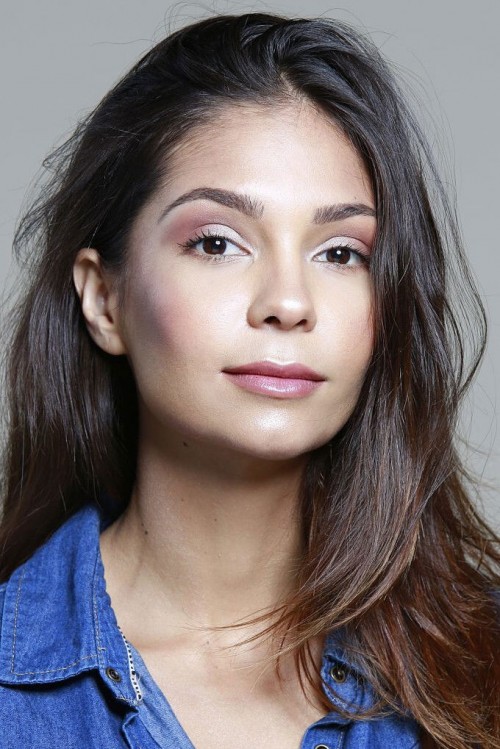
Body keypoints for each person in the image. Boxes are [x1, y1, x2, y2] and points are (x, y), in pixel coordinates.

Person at [0, 12, 498, 749]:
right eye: (217, 242)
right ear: (104, 299)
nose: (288, 303)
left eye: (340, 253)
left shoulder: (483, 664)